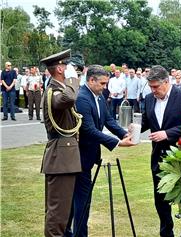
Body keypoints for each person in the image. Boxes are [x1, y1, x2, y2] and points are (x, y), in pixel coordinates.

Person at [71, 64, 134, 236]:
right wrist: (117, 143)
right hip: (80, 156)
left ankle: (70, 232)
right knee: (82, 200)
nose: (105, 87)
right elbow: (89, 130)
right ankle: (78, 234)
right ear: (91, 80)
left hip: (89, 156)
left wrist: (123, 134)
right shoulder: (82, 98)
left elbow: (108, 120)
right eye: (103, 84)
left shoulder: (97, 96)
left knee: (78, 199)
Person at [141, 65, 181, 237]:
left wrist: (167, 134)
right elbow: (145, 122)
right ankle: (166, 233)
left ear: (166, 82)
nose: (153, 90)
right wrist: (132, 130)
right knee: (160, 200)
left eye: (156, 87)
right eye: (150, 87)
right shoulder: (150, 99)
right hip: (158, 158)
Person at [40, 49, 82, 237]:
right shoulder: (54, 92)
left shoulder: (57, 89)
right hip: (61, 159)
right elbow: (70, 98)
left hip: (63, 157)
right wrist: (72, 80)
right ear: (59, 68)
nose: (70, 69)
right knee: (58, 214)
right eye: (66, 66)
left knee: (61, 213)